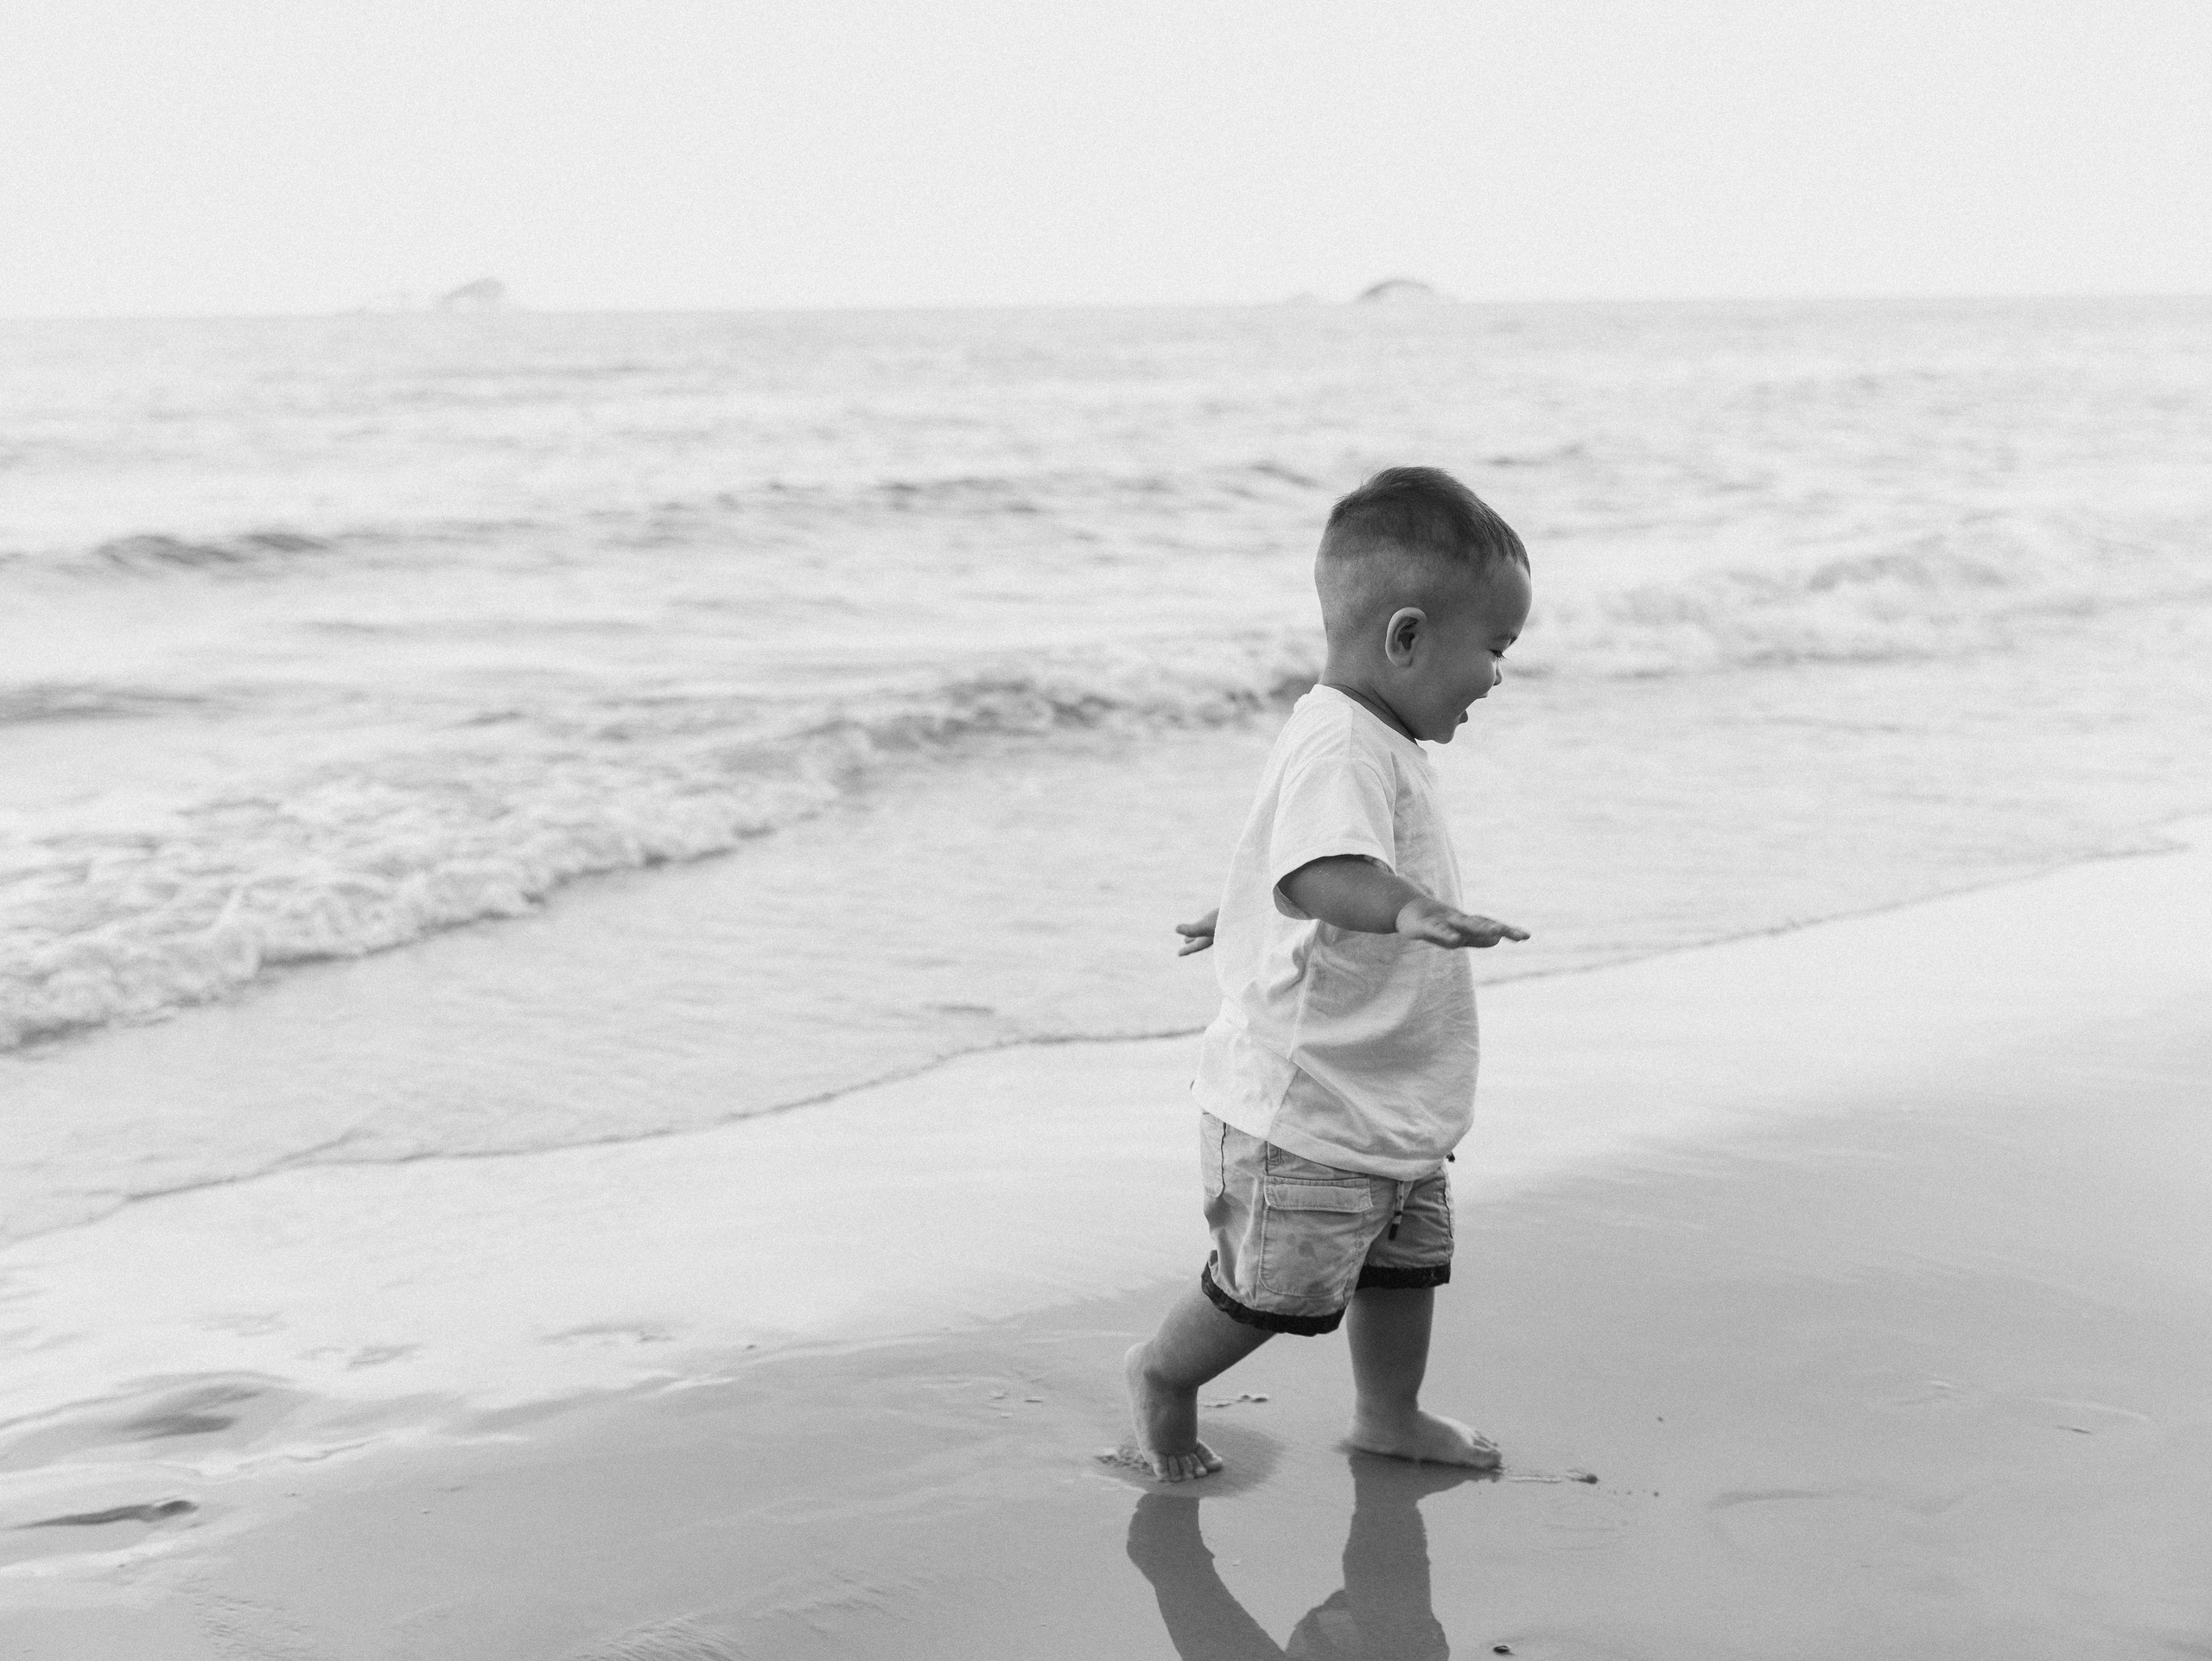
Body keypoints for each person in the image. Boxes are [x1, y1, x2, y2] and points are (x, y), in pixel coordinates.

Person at [1124, 466, 1532, 1481]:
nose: (1496, 676)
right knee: (1270, 1286)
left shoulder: (1366, 737)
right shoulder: (1342, 742)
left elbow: (1288, 860)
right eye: (1493, 649)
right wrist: (1404, 906)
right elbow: (1316, 866)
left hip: (1382, 1100)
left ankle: (1389, 1413)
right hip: (1304, 1115)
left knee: (1403, 1269)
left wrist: (1246, 902)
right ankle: (1163, 1376)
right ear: (1405, 637)